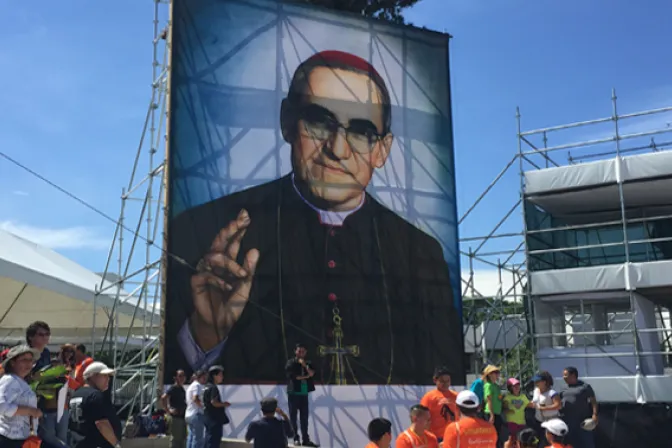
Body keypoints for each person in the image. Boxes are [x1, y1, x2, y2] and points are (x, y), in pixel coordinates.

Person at [164, 49, 464, 386]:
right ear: (287, 123)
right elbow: (170, 380)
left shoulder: (420, 253)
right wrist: (205, 333)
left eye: (362, 131)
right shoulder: (205, 230)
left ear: (382, 150)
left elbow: (445, 371)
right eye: (320, 121)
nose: (338, 148)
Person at [68, 362, 122, 448]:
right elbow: (101, 424)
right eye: (104, 375)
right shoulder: (95, 396)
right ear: (93, 376)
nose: (108, 379)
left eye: (109, 376)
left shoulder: (76, 394)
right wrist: (116, 444)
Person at [0, 345, 43, 448]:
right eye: (24, 360)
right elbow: (2, 406)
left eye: (30, 360)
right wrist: (31, 411)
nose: (28, 363)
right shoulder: (9, 380)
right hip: (10, 439)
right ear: (12, 362)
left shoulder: (20, 381)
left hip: (19, 439)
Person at [285, 344, 318, 447]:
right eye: (299, 351)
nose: (301, 353)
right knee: (293, 417)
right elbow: (293, 377)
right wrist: (306, 376)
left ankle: (306, 439)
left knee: (304, 417)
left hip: (304, 393)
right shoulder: (291, 363)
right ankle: (295, 438)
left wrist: (305, 366)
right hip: (294, 393)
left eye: (303, 351)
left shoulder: (308, 363)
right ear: (295, 351)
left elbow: (312, 373)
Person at [561, 367, 597, 448]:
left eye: (565, 375)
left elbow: (593, 401)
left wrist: (594, 414)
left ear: (573, 375)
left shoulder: (585, 387)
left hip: (583, 421)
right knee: (571, 443)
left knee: (587, 442)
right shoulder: (563, 388)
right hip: (568, 421)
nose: (564, 377)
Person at [420, 366, 459, 442]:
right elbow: (423, 417)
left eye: (448, 381)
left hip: (453, 435)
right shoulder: (429, 397)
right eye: (442, 381)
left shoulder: (457, 396)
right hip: (436, 437)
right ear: (435, 380)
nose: (445, 384)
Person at [530, 372, 562, 446]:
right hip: (539, 420)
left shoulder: (552, 393)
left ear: (544, 382)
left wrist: (544, 408)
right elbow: (534, 401)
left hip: (552, 420)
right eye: (535, 381)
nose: (536, 383)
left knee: (551, 440)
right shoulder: (536, 391)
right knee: (539, 440)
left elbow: (558, 405)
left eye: (538, 381)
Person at [202, 365, 230, 448]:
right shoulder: (213, 388)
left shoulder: (206, 387)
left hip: (207, 417)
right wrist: (224, 404)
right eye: (220, 375)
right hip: (214, 419)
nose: (222, 377)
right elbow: (214, 402)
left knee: (208, 439)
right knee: (213, 441)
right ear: (214, 376)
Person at [503, 378, 532, 448]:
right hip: (511, 422)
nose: (517, 387)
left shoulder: (523, 396)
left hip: (522, 422)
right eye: (514, 386)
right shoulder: (508, 397)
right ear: (510, 388)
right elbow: (504, 407)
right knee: (511, 439)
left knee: (521, 440)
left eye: (518, 385)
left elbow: (530, 404)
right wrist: (507, 409)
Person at [162, 370, 188, 448]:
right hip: (176, 418)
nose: (182, 378)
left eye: (183, 376)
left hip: (182, 417)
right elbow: (163, 397)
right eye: (180, 376)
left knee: (182, 439)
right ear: (176, 377)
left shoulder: (182, 389)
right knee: (176, 440)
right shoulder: (173, 388)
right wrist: (168, 410)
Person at [482, 365, 503, 447]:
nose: (497, 374)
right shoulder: (488, 385)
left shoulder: (496, 386)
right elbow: (489, 400)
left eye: (497, 372)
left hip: (497, 412)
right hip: (490, 413)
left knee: (498, 434)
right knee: (492, 434)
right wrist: (491, 415)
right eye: (495, 372)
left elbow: (499, 398)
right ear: (489, 374)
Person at [185, 370, 207, 448]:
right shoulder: (197, 385)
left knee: (191, 437)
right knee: (198, 439)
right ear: (199, 377)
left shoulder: (190, 386)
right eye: (204, 377)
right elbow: (195, 398)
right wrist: (203, 406)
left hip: (189, 414)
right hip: (196, 414)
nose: (205, 379)